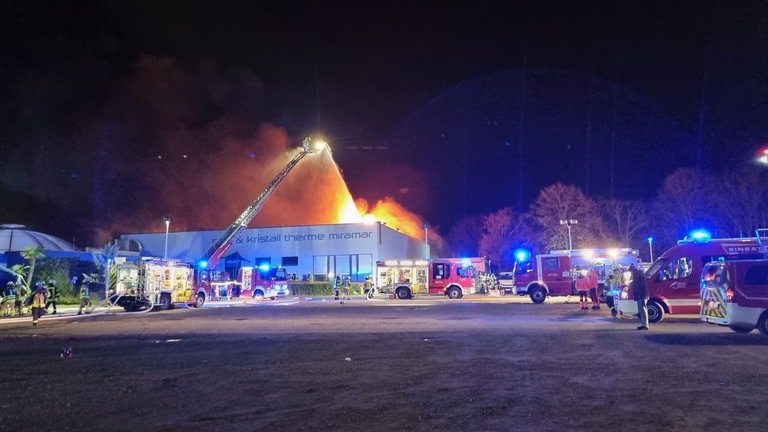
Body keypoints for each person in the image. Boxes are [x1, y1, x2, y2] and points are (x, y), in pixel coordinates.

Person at [630, 265, 649, 330]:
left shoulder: (637, 275)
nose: (631, 273)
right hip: (642, 295)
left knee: (643, 310)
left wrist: (632, 283)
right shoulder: (639, 274)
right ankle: (643, 324)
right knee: (642, 310)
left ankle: (645, 325)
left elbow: (638, 286)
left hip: (641, 295)